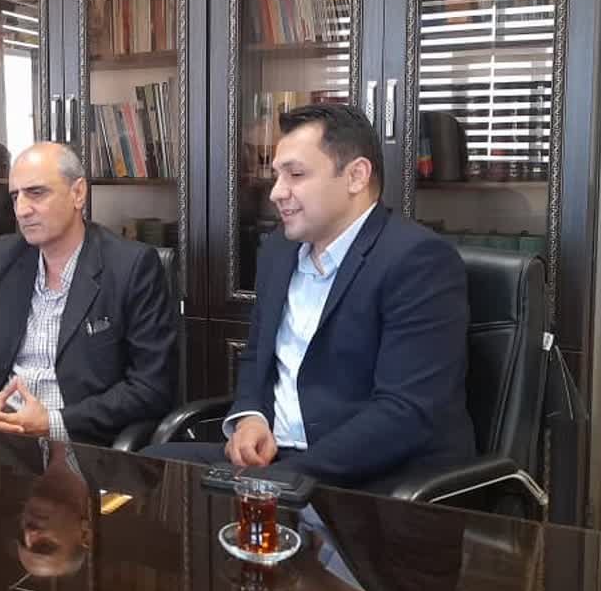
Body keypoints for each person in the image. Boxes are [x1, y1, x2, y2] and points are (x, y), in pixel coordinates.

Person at [147, 103, 474, 491]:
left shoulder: (417, 260)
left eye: (296, 175)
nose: (276, 192)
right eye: (277, 175)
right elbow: (256, 356)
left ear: (356, 176)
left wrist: (281, 479)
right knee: (151, 469)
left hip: (374, 474)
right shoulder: (279, 250)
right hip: (278, 460)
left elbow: (405, 413)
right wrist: (251, 417)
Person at [0, 141, 176, 447]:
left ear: (78, 193)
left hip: (82, 445)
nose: (22, 210)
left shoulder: (131, 266)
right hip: (0, 443)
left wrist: (53, 423)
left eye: (36, 193)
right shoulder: (2, 257)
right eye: (15, 196)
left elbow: (151, 388)